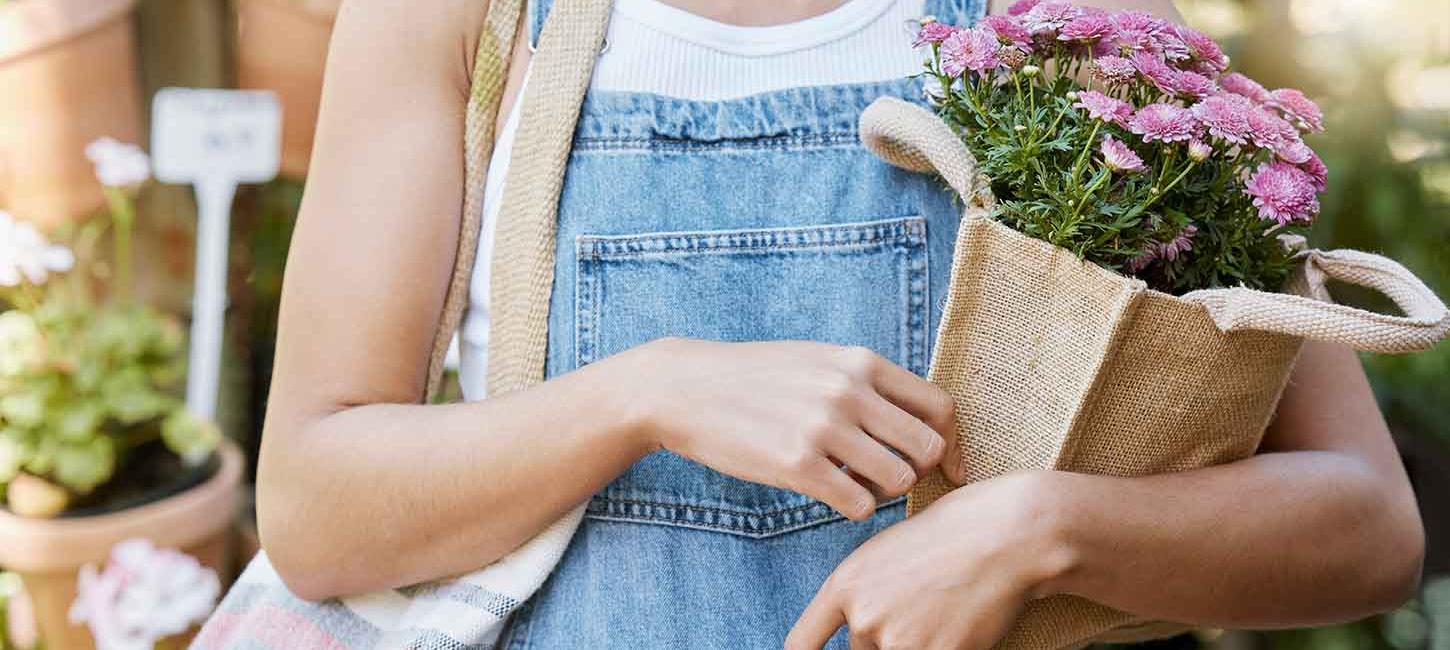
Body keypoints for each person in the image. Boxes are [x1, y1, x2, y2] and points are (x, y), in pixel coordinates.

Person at [247, 0, 1424, 647]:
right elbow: (315, 508)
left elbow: (1364, 522)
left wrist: (1042, 525)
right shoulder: (460, 18)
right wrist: (643, 392)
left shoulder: (1080, 28)